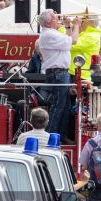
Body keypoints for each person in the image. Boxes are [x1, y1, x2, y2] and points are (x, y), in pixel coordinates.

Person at [38, 9, 80, 138]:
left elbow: (67, 40)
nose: (58, 20)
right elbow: (73, 41)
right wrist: (77, 24)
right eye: (56, 18)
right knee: (58, 106)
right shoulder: (49, 34)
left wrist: (68, 26)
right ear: (50, 22)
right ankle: (50, 136)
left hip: (60, 73)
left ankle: (59, 135)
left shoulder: (52, 33)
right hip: (58, 73)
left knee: (64, 105)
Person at [67, 16, 101, 81]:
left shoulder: (92, 36)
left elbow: (70, 44)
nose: (82, 19)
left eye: (85, 18)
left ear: (90, 22)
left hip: (79, 73)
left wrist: (76, 25)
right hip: (75, 72)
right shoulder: (85, 34)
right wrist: (68, 27)